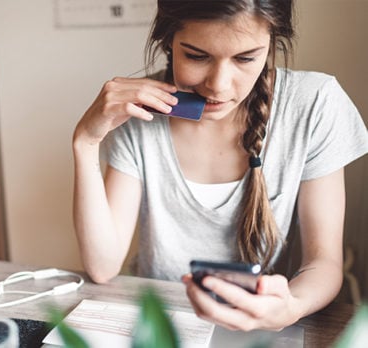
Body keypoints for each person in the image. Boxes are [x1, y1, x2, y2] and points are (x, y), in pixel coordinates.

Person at [72, 0, 368, 331]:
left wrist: (291, 306)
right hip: (160, 327)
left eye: (245, 58)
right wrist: (85, 142)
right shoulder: (138, 112)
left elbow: (324, 262)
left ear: (272, 43)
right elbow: (102, 266)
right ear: (167, 40)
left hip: (262, 331)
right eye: (197, 56)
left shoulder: (314, 104)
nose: (219, 85)